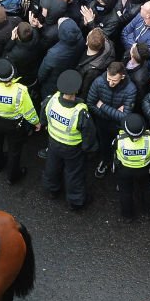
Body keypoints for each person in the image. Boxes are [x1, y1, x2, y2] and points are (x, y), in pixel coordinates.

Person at [0, 57, 40, 183]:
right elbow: (28, 111)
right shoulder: (20, 90)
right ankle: (12, 177)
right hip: (14, 125)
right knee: (14, 151)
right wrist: (36, 123)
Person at [42, 68, 97, 210]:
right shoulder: (80, 112)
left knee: (52, 166)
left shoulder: (52, 100)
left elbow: (43, 117)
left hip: (53, 142)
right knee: (74, 174)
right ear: (76, 90)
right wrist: (89, 149)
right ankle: (75, 201)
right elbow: (88, 134)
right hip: (72, 149)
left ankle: (52, 190)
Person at [113, 112, 150, 220]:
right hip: (144, 170)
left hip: (124, 170)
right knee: (146, 190)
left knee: (125, 192)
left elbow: (114, 152)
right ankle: (147, 213)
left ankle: (127, 216)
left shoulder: (120, 139)